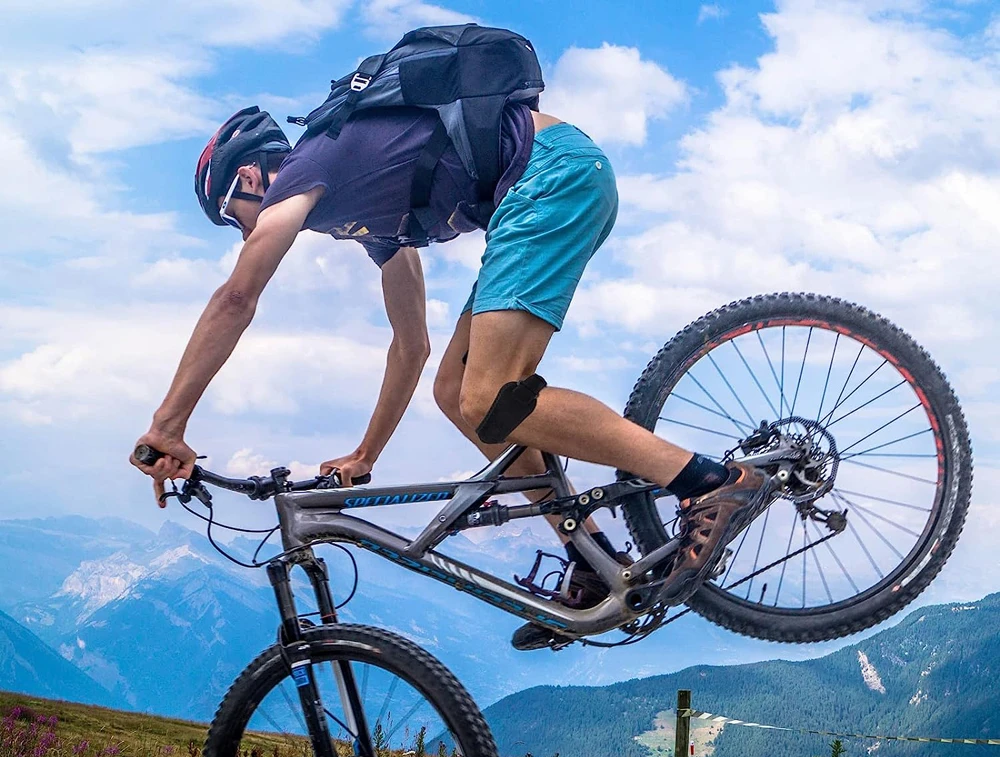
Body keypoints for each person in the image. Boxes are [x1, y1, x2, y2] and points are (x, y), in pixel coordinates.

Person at [131, 102, 772, 650]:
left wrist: (168, 424)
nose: (240, 230)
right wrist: (365, 454)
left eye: (231, 213)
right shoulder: (362, 208)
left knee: (491, 393)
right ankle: (592, 558)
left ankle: (707, 481)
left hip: (551, 175)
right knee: (455, 391)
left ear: (248, 175)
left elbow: (237, 298)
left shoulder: (310, 167)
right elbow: (411, 346)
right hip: (546, 183)